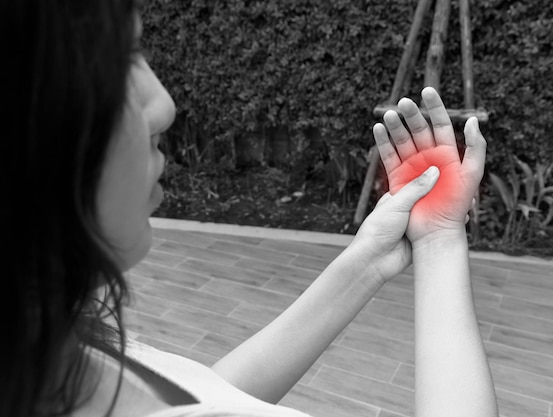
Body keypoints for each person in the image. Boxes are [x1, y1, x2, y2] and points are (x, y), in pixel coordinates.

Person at [1, 1, 498, 416]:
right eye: (118, 61)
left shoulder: (41, 351)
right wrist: (439, 242)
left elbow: (201, 399)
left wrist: (367, 261)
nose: (164, 104)